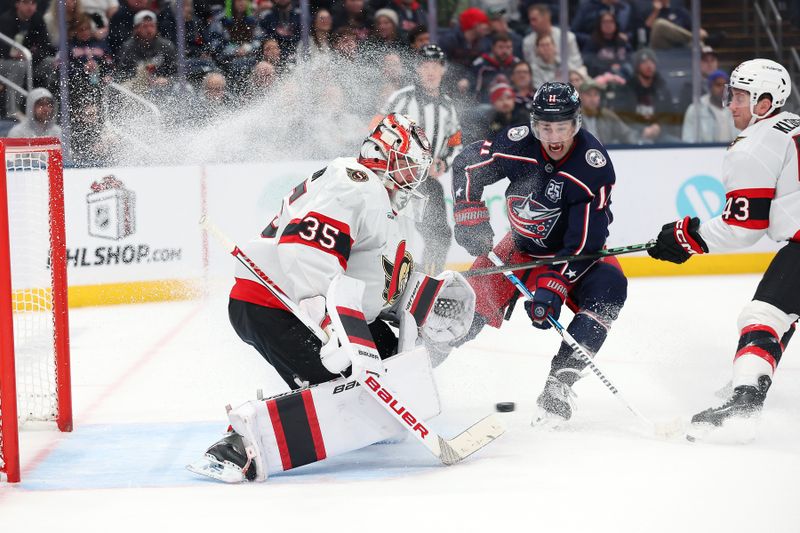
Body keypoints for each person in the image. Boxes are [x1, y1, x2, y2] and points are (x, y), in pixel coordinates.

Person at [188, 113, 477, 482]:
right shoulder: (355, 184)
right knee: (345, 388)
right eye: (407, 165)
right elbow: (305, 252)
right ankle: (238, 444)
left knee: (396, 366)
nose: (414, 176)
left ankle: (347, 403)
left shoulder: (382, 203)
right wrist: (329, 324)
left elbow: (373, 283)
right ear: (381, 157)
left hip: (312, 309)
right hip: (277, 306)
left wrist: (422, 298)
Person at [451, 82, 627, 425]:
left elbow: (584, 246)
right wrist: (468, 213)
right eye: (546, 127)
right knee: (461, 309)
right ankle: (418, 361)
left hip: (574, 258)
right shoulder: (517, 143)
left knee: (611, 290)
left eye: (562, 126)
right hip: (518, 250)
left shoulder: (592, 167)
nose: (554, 136)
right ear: (534, 124)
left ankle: (559, 384)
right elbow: (467, 165)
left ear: (576, 124)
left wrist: (552, 286)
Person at [647, 59, 798, 441]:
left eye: (740, 97)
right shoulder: (793, 123)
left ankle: (745, 400)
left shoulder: (754, 146)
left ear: (765, 102)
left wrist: (688, 238)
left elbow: (744, 228)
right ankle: (752, 378)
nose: (730, 104)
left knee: (763, 313)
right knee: (783, 312)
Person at [377, 44, 463, 274]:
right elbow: (378, 132)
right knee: (393, 235)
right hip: (395, 180)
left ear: (443, 69)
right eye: (425, 65)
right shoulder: (401, 99)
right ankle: (388, 280)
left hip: (426, 183)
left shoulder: (447, 106)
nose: (430, 71)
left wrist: (445, 161)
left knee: (440, 236)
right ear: (417, 68)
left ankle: (428, 281)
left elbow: (455, 142)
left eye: (435, 65)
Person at [681, 69, 738, 143]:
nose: (722, 89)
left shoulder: (737, 108)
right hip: (705, 153)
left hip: (733, 152)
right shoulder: (695, 109)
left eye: (725, 85)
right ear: (710, 87)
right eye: (718, 85)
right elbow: (688, 140)